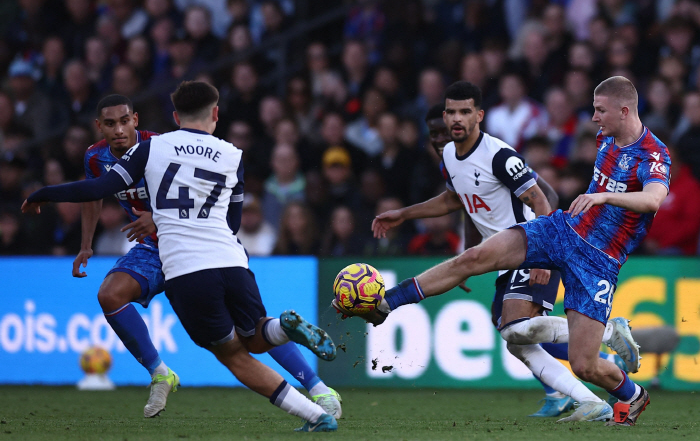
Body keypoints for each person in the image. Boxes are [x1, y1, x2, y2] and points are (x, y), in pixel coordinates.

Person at [338, 77, 669, 427]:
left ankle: (632, 395)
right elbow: (461, 199)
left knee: (584, 364)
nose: (593, 118)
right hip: (563, 229)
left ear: (624, 110)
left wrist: (603, 197)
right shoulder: (607, 137)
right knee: (473, 259)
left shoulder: (653, 153)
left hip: (600, 258)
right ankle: (387, 302)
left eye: (600, 110)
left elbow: (652, 199)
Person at [33, 86, 339, 431]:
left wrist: (156, 215)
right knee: (111, 295)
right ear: (99, 127)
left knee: (237, 350)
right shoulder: (98, 157)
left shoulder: (154, 146)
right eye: (110, 124)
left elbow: (109, 189)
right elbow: (96, 196)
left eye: (124, 121)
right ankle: (160, 372)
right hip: (181, 249)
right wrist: (86, 244)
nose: (118, 130)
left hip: (183, 254)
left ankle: (319, 391)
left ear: (138, 120)